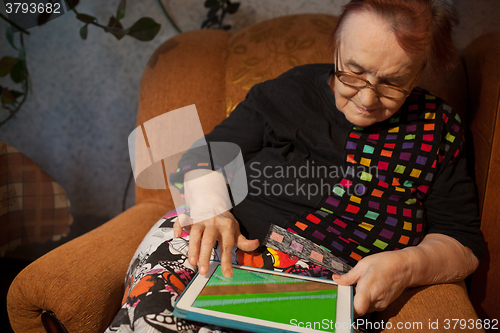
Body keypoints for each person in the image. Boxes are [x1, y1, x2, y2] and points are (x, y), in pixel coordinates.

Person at [106, 0, 483, 331]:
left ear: (418, 74)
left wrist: (407, 266)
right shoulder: (291, 90)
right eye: (353, 72)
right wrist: (212, 208)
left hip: (323, 289)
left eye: (392, 84)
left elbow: (462, 242)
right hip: (215, 243)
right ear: (336, 49)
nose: (367, 99)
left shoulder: (437, 127)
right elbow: (204, 154)